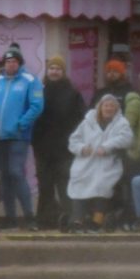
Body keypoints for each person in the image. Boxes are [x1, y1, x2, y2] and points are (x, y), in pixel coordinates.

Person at [0, 47, 44, 229]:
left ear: (20, 63)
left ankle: (30, 217)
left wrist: (21, 124)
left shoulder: (30, 81)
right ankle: (11, 219)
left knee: (16, 173)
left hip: (18, 136)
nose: (11, 64)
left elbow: (37, 106)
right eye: (8, 62)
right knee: (5, 177)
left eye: (14, 61)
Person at [32, 57, 86, 233]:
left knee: (65, 186)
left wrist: (74, 142)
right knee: (45, 186)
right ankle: (44, 221)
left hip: (65, 149)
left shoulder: (73, 93)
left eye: (58, 69)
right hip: (43, 149)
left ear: (63, 72)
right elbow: (32, 117)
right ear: (47, 71)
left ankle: (70, 220)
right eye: (51, 68)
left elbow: (81, 120)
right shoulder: (38, 91)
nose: (54, 71)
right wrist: (35, 141)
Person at [67, 94, 134, 231]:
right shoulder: (87, 122)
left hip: (107, 163)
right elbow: (73, 141)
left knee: (102, 184)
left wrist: (107, 146)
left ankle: (97, 220)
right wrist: (82, 148)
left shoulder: (121, 123)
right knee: (79, 185)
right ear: (100, 107)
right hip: (86, 162)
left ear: (116, 109)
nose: (108, 108)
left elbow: (127, 138)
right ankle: (77, 219)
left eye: (112, 106)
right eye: (106, 105)